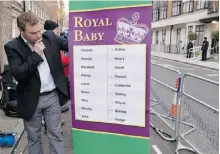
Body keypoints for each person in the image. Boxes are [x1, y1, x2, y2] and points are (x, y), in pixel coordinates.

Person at [4, 12, 68, 154]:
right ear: (22, 31)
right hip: (30, 99)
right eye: (33, 33)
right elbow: (18, 74)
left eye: (39, 30)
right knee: (34, 138)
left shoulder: (50, 36)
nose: (39, 35)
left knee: (56, 135)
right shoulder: (12, 46)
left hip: (52, 97)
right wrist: (36, 55)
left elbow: (70, 45)